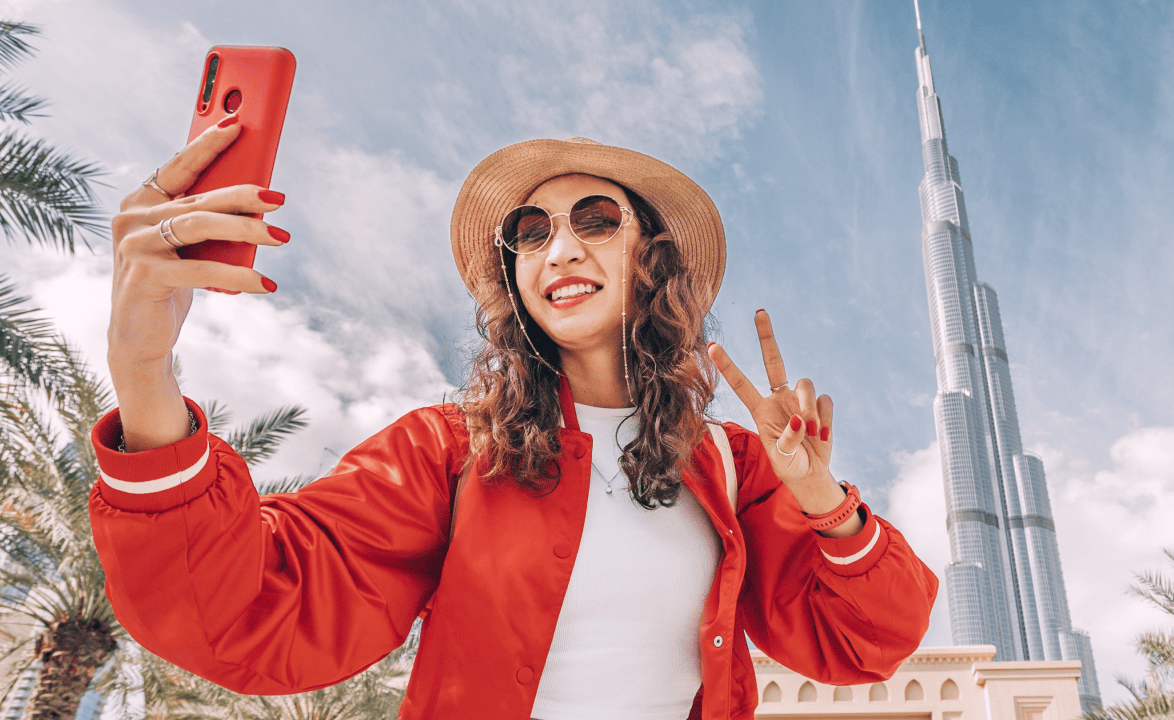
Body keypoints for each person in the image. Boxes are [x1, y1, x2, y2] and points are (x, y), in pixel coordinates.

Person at [91, 115, 937, 720]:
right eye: (530, 233)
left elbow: (862, 643)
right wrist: (143, 372)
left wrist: (826, 501)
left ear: (652, 259)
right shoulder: (447, 449)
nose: (559, 248)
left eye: (597, 221)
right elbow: (245, 611)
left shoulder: (734, 464)